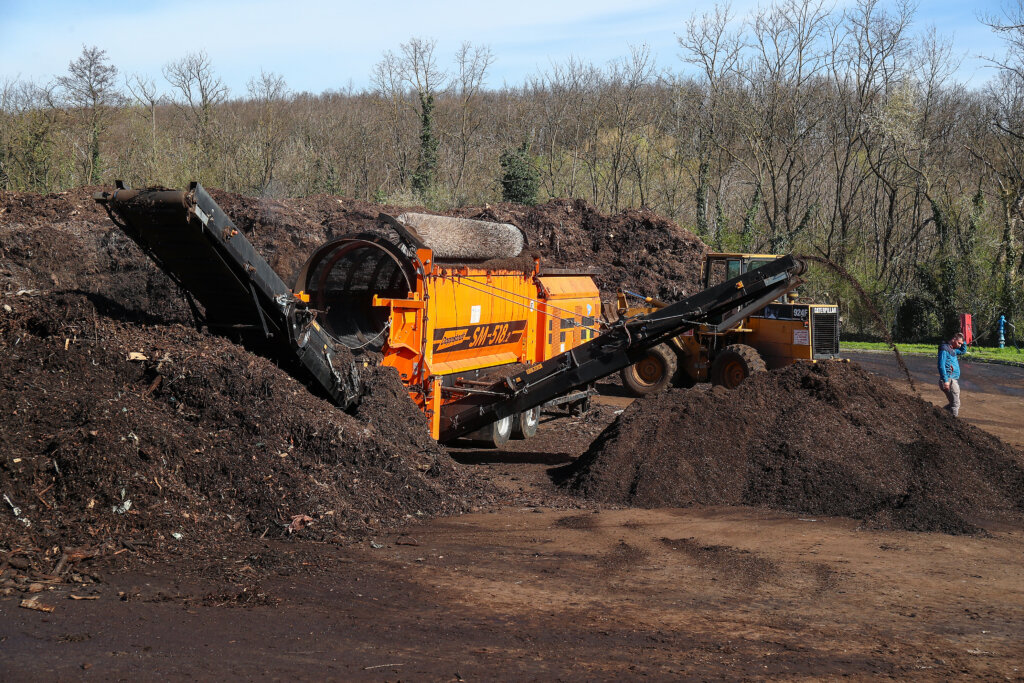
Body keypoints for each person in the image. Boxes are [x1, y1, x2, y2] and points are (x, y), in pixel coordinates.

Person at [937, 332, 968, 417]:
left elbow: (963, 351)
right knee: (955, 404)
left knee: (953, 404)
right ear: (953, 339)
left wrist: (963, 341)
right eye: (959, 343)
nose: (959, 345)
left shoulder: (953, 349)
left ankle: (938, 414)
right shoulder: (944, 349)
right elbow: (941, 365)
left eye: (961, 344)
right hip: (949, 379)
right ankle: (954, 424)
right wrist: (946, 381)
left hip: (952, 379)